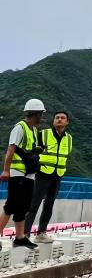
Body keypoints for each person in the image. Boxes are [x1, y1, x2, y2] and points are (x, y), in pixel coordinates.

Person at [0, 99, 46, 249]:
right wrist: (6, 170)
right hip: (17, 171)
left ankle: (20, 238)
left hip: (29, 173)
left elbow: (26, 150)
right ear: (36, 114)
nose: (42, 117)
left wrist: (37, 151)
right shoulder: (20, 127)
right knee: (11, 205)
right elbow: (11, 149)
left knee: (24, 206)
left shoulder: (34, 130)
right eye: (41, 114)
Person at [24, 110, 73, 242]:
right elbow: (33, 152)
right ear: (53, 121)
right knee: (33, 205)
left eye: (62, 118)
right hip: (42, 174)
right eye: (57, 117)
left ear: (67, 122)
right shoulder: (43, 134)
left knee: (49, 205)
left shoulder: (69, 138)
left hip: (57, 175)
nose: (59, 120)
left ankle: (41, 233)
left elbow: (65, 155)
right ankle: (25, 234)